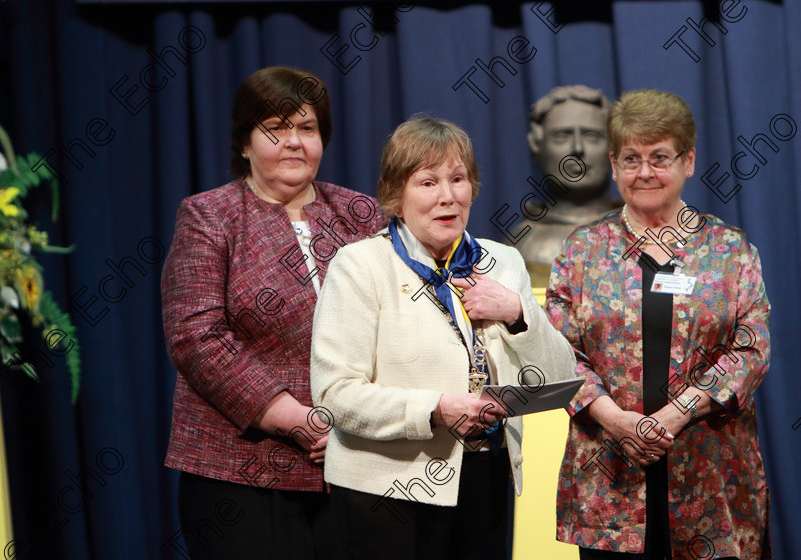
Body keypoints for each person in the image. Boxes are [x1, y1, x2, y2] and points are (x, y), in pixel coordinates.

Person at [310, 116, 577, 560]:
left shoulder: (503, 261)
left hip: (485, 478)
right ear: (396, 196)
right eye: (428, 182)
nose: (448, 196)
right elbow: (336, 396)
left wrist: (516, 313)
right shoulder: (359, 265)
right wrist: (436, 408)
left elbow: (560, 374)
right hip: (386, 490)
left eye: (458, 179)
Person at [161, 66, 387, 560]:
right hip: (241, 469)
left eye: (306, 128)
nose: (293, 142)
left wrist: (355, 427)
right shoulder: (209, 216)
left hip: (357, 463)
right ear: (244, 143)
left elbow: (399, 324)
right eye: (275, 129)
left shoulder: (362, 214)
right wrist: (300, 420)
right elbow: (195, 337)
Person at [546, 89, 771, 559]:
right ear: (613, 164)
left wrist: (677, 413)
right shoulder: (582, 251)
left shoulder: (731, 251)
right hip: (610, 485)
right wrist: (615, 419)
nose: (644, 172)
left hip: (711, 485)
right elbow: (557, 354)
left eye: (659, 157)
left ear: (688, 161)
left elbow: (751, 351)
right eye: (631, 158)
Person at [508, 85, 621, 287]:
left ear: (613, 147)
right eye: (562, 137)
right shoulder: (516, 245)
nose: (577, 149)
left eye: (591, 136)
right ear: (536, 145)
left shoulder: (642, 236)